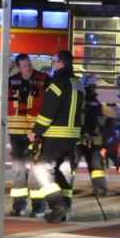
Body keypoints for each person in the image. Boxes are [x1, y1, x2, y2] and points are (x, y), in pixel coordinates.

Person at [29, 50, 84, 223]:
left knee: (41, 168)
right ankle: (65, 209)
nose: (54, 65)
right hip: (72, 137)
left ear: (60, 64)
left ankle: (56, 204)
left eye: (55, 61)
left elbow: (47, 112)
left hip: (56, 135)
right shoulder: (78, 84)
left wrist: (36, 131)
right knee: (65, 171)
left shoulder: (56, 84)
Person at [4, 53, 50, 217]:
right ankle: (19, 205)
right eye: (24, 65)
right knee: (18, 168)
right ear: (18, 67)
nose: (28, 68)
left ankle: (39, 205)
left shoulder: (43, 79)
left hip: (36, 131)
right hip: (16, 133)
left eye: (29, 64)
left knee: (36, 168)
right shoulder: (10, 80)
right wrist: (4, 71)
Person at [77, 73, 110, 197]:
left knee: (96, 166)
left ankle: (101, 189)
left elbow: (99, 118)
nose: (94, 88)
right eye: (92, 86)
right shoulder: (80, 101)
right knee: (71, 165)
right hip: (79, 139)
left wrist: (110, 121)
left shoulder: (94, 101)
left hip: (92, 139)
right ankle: (65, 187)